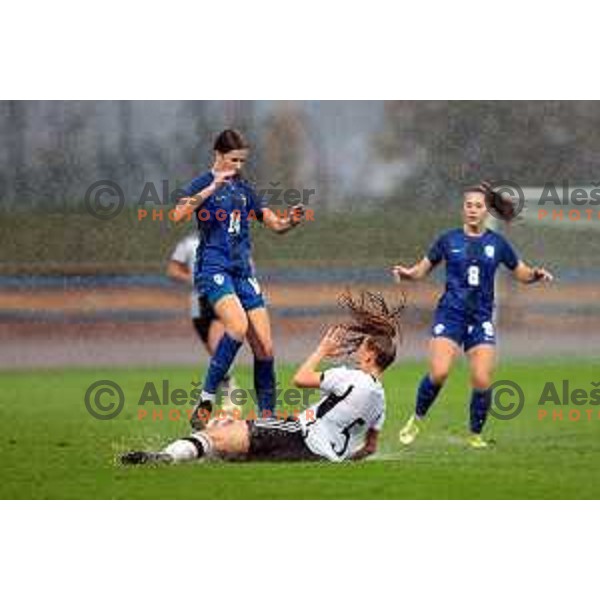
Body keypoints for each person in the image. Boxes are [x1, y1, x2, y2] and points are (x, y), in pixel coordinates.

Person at [119, 291, 404, 465]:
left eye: (362, 347)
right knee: (233, 443)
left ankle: (166, 458)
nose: (357, 351)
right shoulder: (381, 401)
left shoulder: (349, 378)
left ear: (370, 356)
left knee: (217, 432)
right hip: (315, 451)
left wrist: (322, 350)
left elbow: (301, 378)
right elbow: (369, 448)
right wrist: (339, 459)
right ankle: (191, 451)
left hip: (301, 438)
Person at [392, 181, 553, 448]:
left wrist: (535, 275)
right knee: (440, 372)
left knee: (481, 378)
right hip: (450, 315)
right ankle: (416, 419)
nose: (472, 210)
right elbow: (421, 271)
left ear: (487, 210)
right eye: (468, 205)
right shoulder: (448, 240)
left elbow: (521, 272)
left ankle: (475, 436)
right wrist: (407, 274)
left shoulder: (498, 243)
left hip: (480, 319)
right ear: (462, 209)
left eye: (478, 206)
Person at [172, 129, 305, 430]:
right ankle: (206, 398)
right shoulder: (203, 183)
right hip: (213, 269)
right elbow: (177, 214)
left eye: (242, 160)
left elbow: (274, 223)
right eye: (233, 159)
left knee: (266, 349)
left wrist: (290, 222)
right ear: (218, 155)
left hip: (243, 272)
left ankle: (267, 420)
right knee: (237, 326)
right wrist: (209, 190)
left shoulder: (244, 189)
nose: (238, 166)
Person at [167, 232, 238, 410]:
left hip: (221, 297)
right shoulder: (188, 243)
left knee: (216, 346)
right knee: (213, 352)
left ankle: (226, 393)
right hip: (199, 303)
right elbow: (173, 270)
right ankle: (227, 385)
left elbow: (242, 267)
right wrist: (193, 278)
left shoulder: (228, 239)